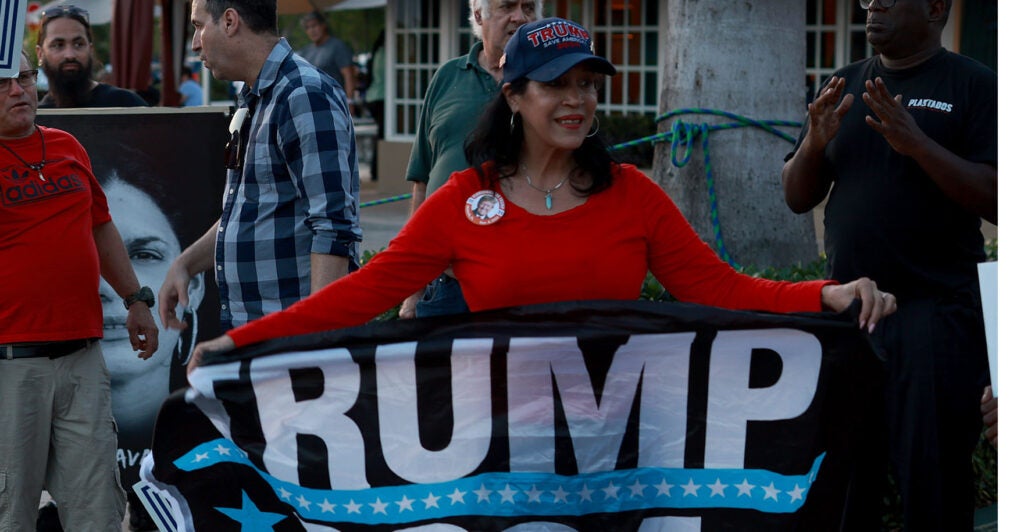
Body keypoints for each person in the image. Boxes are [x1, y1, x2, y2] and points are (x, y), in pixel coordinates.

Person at [189, 18, 896, 384]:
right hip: (495, 446)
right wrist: (235, 343)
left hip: (618, 440)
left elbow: (719, 289)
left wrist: (822, 295)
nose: (579, 100)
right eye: (559, 85)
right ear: (515, 97)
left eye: (589, 84)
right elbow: (358, 295)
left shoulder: (635, 196)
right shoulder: (464, 201)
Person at [780, 0, 996, 529]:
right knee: (848, 482)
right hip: (852, 317)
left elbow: (1000, 198)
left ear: (935, 8)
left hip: (937, 316)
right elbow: (795, 196)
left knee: (934, 482)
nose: (872, 5)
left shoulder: (975, 85)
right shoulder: (842, 83)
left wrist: (917, 144)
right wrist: (813, 143)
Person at [0, 50, 159, 530]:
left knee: (98, 511)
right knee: (11, 512)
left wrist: (136, 301)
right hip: (11, 364)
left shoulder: (67, 145)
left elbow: (102, 227)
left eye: (25, 77)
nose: (17, 90)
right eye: (3, 82)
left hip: (83, 359)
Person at [160, 0, 361, 335]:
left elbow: (334, 229)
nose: (195, 44)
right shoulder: (259, 95)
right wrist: (185, 264)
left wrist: (316, 339)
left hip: (290, 338)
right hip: (258, 332)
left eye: (197, 26)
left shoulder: (302, 94)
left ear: (229, 21)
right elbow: (247, 211)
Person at [400, 0, 541, 320]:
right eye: (507, 6)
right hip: (444, 284)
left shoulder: (547, 84)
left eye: (529, 7)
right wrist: (413, 291)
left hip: (518, 285)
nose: (520, 17)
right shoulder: (447, 76)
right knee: (437, 371)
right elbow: (422, 181)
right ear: (479, 15)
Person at [35, 5, 149, 108]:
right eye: (58, 45)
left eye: (78, 44)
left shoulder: (126, 104)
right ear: (40, 54)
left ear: (91, 50)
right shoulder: (37, 118)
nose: (70, 55)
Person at [297, 11, 357, 103]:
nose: (312, 30)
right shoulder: (305, 51)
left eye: (314, 25)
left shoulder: (337, 46)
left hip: (334, 102)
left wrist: (349, 101)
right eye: (307, 27)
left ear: (323, 25)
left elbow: (348, 74)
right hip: (312, 102)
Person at [364, 29, 385, 181]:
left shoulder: (377, 52)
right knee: (382, 135)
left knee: (380, 134)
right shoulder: (386, 53)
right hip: (381, 96)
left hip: (373, 96)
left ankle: (375, 170)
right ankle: (376, 171)